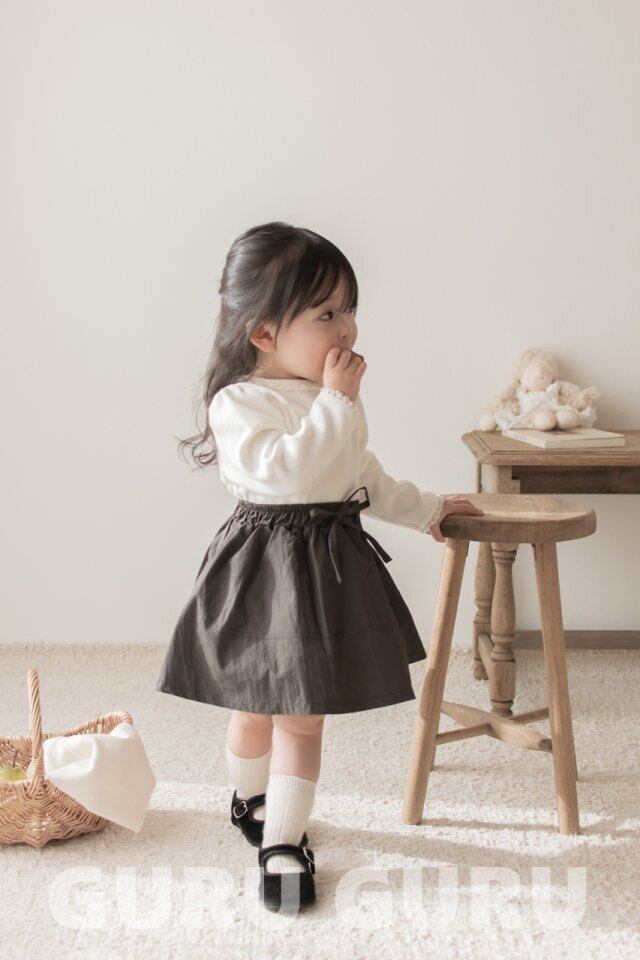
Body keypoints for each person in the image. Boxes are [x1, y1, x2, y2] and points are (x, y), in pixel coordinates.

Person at [155, 221, 484, 913]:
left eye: (350, 309)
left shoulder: (333, 400)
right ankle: (249, 799)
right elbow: (288, 473)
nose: (347, 328)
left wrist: (427, 508)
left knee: (304, 718)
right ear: (263, 333)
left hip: (327, 564)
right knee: (254, 706)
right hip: (263, 568)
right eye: (327, 314)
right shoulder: (239, 403)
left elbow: (359, 475)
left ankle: (283, 841)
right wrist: (335, 401)